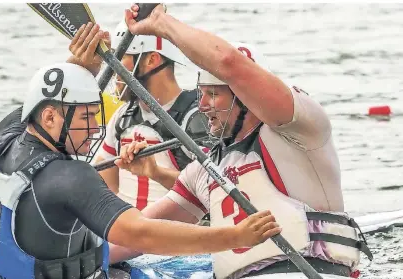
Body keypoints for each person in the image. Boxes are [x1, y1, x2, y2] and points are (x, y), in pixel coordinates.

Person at [0, 22, 281, 279]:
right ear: (50, 117)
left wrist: (76, 66)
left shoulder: (2, 140)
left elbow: (33, 106)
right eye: (85, 118)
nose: (95, 129)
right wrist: (234, 237)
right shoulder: (69, 177)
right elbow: (140, 234)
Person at [109, 5, 372, 279]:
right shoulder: (203, 171)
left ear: (244, 95)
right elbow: (139, 235)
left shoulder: (300, 129)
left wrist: (161, 23)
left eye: (213, 94)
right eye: (201, 94)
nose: (203, 106)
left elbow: (228, 64)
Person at [92, 19, 211, 211]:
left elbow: (212, 190)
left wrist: (156, 173)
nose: (114, 70)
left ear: (152, 59)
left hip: (177, 236)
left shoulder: (197, 118)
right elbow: (105, 185)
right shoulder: (123, 116)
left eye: (121, 57)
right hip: (127, 237)